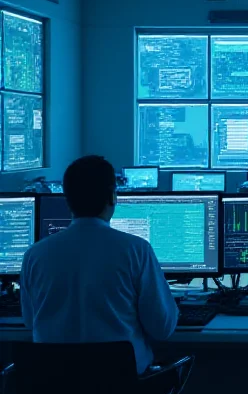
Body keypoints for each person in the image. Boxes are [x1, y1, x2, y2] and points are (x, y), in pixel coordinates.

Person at [20, 155, 178, 374]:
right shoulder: (136, 250)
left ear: (67, 200)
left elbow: (30, 322)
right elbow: (163, 328)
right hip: (122, 390)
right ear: (113, 197)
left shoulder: (33, 256)